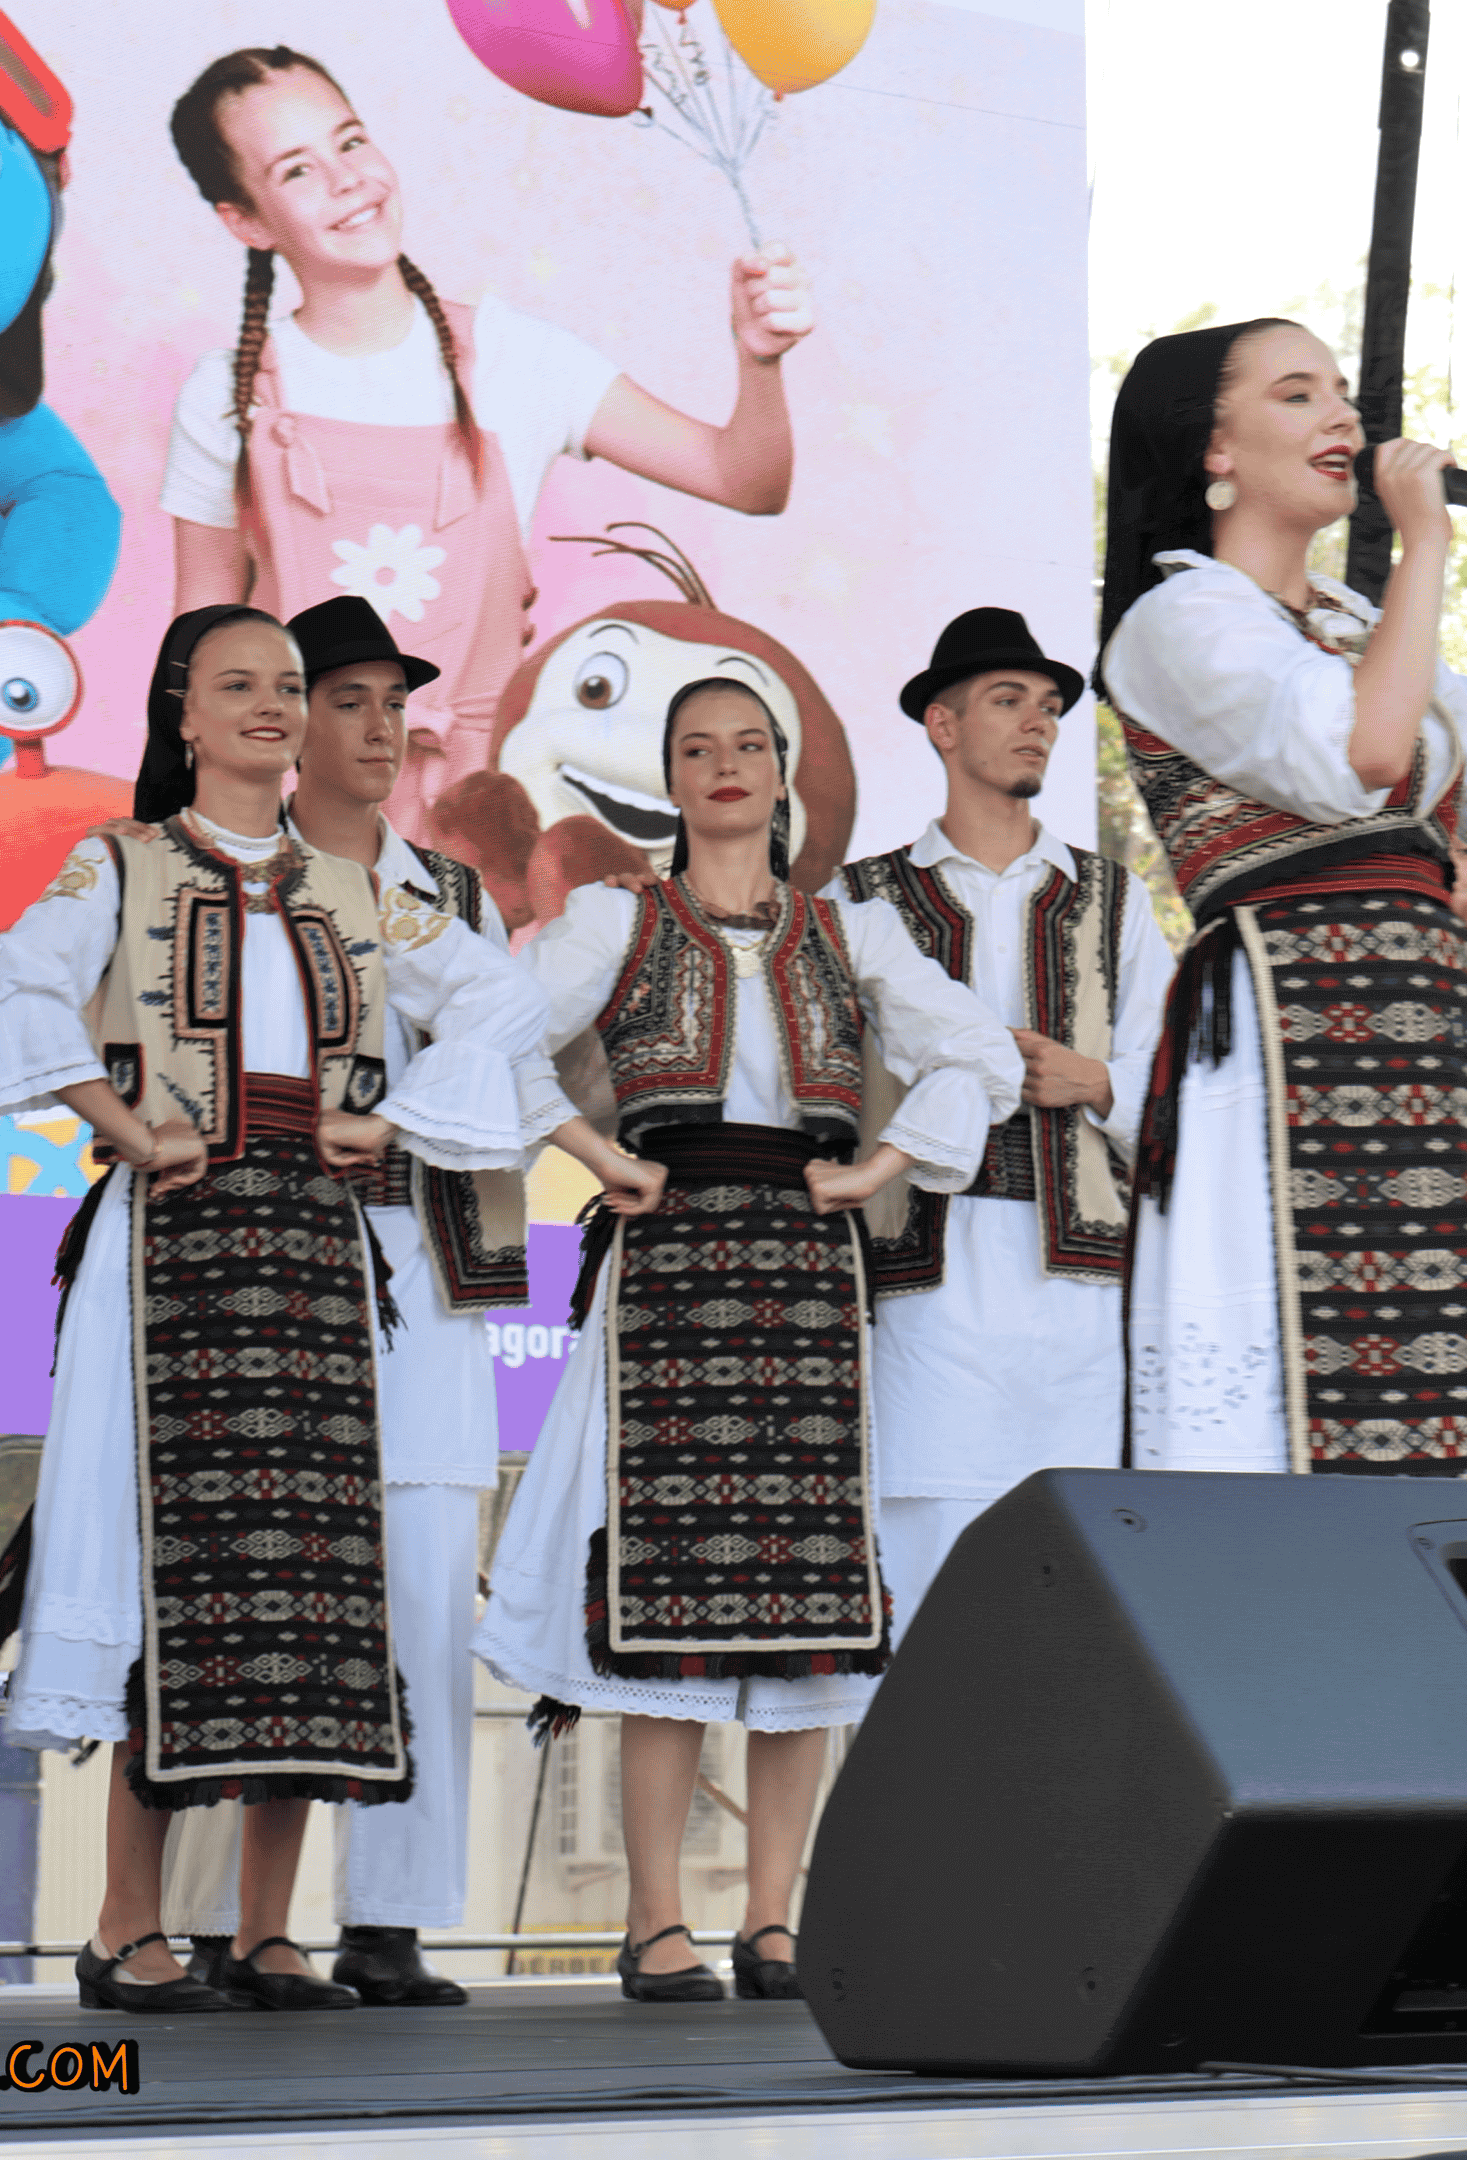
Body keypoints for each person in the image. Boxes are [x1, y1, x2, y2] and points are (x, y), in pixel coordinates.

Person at [0, 605, 558, 2014]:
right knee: (173, 1571)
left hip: (309, 1248)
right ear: (180, 713)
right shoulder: (122, 861)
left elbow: (498, 1004)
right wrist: (116, 1116)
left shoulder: (354, 889)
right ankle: (123, 1928)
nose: (274, 706)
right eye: (242, 685)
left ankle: (266, 1926)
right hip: (174, 1239)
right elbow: (22, 985)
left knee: (305, 1585)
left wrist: (394, 1120)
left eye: (287, 686)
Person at [473, 676, 1016, 2004]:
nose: (725, 765)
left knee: (812, 1611)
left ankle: (773, 1918)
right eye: (696, 748)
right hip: (668, 1268)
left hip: (811, 1280)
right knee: (667, 1605)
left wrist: (876, 1163)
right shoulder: (616, 918)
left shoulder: (852, 934)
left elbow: (978, 1055)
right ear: (670, 780)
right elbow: (488, 1031)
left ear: (785, 775)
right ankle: (658, 1921)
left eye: (748, 746)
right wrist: (596, 1149)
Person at [157, 593, 555, 2009]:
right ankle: (209, 1918)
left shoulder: (445, 898)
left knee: (422, 1584)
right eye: (351, 699)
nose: (381, 728)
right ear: (277, 718)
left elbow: (518, 1067)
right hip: (251, 1273)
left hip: (415, 1264)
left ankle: (387, 1916)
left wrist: (408, 1123)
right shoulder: (197, 876)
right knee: (242, 1579)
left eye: (397, 704)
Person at [1097, 319, 1467, 1478]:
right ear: (1212, 451)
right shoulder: (1178, 619)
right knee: (1285, 1341)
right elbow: (1360, 753)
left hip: (1436, 1025)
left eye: (1345, 397)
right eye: (1298, 395)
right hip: (1283, 1019)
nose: (1344, 422)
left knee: (1455, 1340)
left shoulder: (1359, 626)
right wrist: (1420, 548)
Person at [161, 47, 813, 827]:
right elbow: (196, 640)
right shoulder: (229, 395)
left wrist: (757, 359)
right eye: (296, 171)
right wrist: (185, 835)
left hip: (483, 824)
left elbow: (745, 480)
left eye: (352, 140)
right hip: (293, 827)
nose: (347, 180)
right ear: (245, 220)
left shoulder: (520, 360)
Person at [835, 607, 1164, 1635]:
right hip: (923, 1284)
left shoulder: (1115, 902)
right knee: (925, 1588)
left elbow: (1187, 1090)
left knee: (1076, 1599)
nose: (1040, 723)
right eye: (1009, 700)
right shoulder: (862, 902)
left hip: (1078, 1294)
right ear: (942, 723)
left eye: (1052, 706)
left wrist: (1095, 1081)